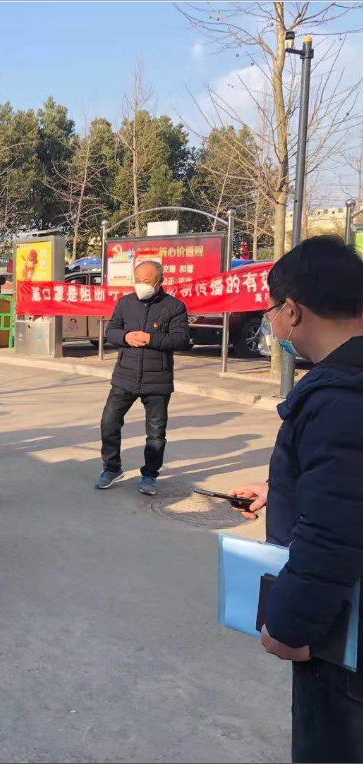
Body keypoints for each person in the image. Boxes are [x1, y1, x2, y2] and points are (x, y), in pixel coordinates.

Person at [227, 236, 363, 763]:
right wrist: (281, 490)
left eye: (271, 310)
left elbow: (335, 532)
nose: (272, 323)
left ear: (292, 310)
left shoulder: (341, 397)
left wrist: (290, 625)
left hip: (342, 637)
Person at [95, 260, 189, 496]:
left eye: (146, 281)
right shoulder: (125, 303)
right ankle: (112, 468)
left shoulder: (174, 306)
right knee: (109, 423)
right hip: (124, 376)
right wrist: (126, 337)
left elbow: (181, 339)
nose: (141, 285)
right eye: (137, 281)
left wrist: (151, 339)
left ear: (160, 281)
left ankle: (149, 475)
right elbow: (111, 331)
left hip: (157, 381)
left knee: (156, 434)